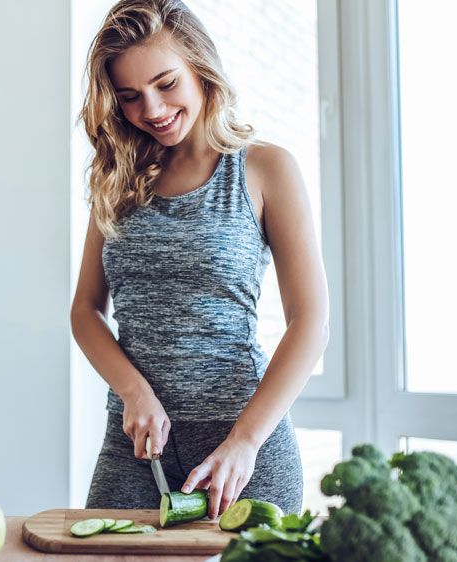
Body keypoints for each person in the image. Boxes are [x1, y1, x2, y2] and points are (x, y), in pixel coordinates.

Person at [71, 0, 329, 519]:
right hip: (135, 448)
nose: (152, 109)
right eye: (129, 96)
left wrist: (246, 441)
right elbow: (85, 311)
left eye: (166, 83)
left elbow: (311, 321)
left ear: (201, 68)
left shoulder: (265, 169)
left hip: (244, 446)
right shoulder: (115, 179)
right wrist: (133, 391)